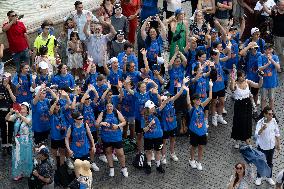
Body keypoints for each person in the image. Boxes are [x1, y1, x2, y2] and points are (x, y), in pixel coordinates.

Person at [229, 69, 263, 148]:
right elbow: (232, 89)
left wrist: (261, 78)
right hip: (239, 105)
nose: (243, 77)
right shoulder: (235, 83)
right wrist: (232, 79)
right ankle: (237, 140)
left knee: (247, 122)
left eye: (244, 76)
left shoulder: (247, 82)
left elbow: (258, 85)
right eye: (242, 76)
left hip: (247, 105)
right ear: (238, 77)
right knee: (238, 122)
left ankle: (247, 139)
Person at [159, 78, 188, 164]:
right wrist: (162, 100)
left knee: (173, 140)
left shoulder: (171, 102)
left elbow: (178, 94)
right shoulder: (162, 105)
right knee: (163, 142)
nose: (169, 97)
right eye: (167, 96)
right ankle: (163, 156)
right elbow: (161, 105)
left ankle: (172, 153)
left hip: (173, 125)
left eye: (169, 96)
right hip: (165, 126)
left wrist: (183, 85)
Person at [96, 103, 128, 177]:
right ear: (105, 107)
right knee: (108, 152)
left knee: (120, 154)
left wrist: (117, 126)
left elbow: (124, 122)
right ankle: (111, 168)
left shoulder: (116, 112)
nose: (109, 108)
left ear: (113, 106)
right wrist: (101, 123)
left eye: (111, 106)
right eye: (107, 106)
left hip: (116, 137)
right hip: (106, 137)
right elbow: (96, 124)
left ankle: (123, 168)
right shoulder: (103, 113)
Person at [186, 79, 213, 171]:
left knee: (201, 147)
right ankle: (192, 160)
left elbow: (209, 98)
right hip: (194, 131)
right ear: (194, 101)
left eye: (199, 99)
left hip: (202, 131)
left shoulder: (202, 106)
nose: (199, 100)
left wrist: (210, 86)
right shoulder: (192, 109)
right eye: (197, 99)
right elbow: (188, 103)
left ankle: (199, 162)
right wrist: (187, 92)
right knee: (193, 146)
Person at [5, 102, 33, 180]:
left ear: (27, 110)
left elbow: (28, 122)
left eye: (24, 107)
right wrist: (10, 112)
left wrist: (19, 115)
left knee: (26, 156)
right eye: (21, 107)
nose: (22, 108)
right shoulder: (17, 116)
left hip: (26, 141)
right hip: (17, 141)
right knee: (17, 157)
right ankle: (19, 173)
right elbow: (7, 118)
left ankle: (26, 172)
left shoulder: (30, 117)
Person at [254, 106, 281, 186]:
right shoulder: (260, 122)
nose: (271, 115)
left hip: (271, 146)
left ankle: (269, 177)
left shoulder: (273, 121)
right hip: (262, 146)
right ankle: (259, 177)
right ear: (265, 114)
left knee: (269, 162)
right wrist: (262, 129)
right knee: (260, 162)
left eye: (272, 114)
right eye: (269, 114)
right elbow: (256, 135)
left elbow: (277, 132)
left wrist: (278, 144)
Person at [142, 100, 165, 174]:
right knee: (149, 151)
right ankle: (148, 165)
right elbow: (144, 130)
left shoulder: (156, 114)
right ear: (147, 108)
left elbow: (163, 105)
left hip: (158, 137)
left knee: (158, 151)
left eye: (153, 107)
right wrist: (150, 124)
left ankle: (158, 165)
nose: (153, 109)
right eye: (151, 108)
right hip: (148, 137)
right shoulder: (143, 118)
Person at [258, 43, 280, 111]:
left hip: (272, 82)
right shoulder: (260, 57)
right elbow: (259, 68)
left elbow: (278, 67)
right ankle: (263, 113)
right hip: (263, 82)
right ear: (265, 50)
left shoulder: (275, 57)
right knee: (263, 99)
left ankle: (271, 113)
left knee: (271, 99)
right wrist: (267, 64)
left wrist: (272, 60)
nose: (270, 51)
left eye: (271, 49)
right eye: (269, 49)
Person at [262, 0, 284, 70]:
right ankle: (280, 66)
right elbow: (266, 10)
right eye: (282, 5)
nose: (283, 6)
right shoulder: (275, 13)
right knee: (279, 52)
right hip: (278, 36)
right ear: (278, 6)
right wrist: (263, 3)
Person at [0, 72, 16, 156]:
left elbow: (14, 100)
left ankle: (9, 145)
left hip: (10, 110)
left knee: (10, 128)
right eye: (4, 77)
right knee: (3, 129)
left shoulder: (12, 86)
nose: (5, 79)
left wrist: (9, 89)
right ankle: (3, 146)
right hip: (1, 111)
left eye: (7, 77)